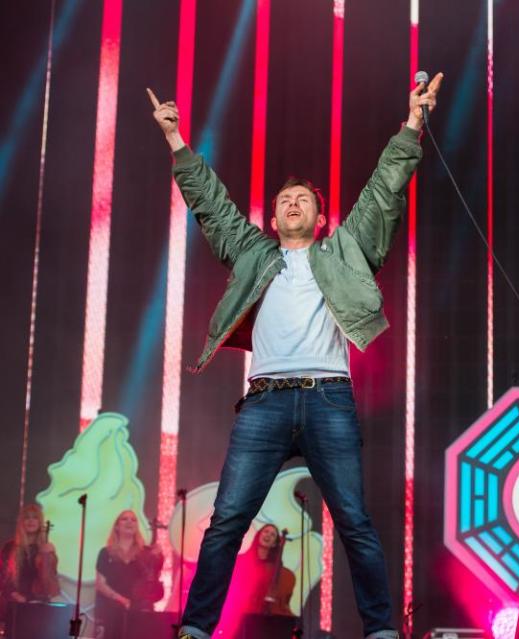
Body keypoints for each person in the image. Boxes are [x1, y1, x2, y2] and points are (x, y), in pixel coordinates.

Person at [147, 71, 443, 639]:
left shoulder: (346, 251)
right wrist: (176, 141)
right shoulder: (256, 256)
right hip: (263, 405)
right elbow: (212, 206)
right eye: (283, 200)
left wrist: (412, 124)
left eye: (302, 199)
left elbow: (384, 190)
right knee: (228, 520)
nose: (290, 203)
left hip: (328, 398)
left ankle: (381, 630)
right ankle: (197, 629)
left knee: (354, 521)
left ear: (320, 216)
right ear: (274, 216)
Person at [94, 510, 165, 639]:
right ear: (117, 526)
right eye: (124, 519)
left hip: (139, 611)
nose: (129, 522)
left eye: (133, 520)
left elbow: (154, 578)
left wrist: (158, 557)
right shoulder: (106, 552)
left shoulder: (146, 552)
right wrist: (121, 599)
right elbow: (100, 584)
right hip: (112, 610)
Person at [217, 524, 294, 639]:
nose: (268, 535)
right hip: (241, 612)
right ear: (259, 535)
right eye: (266, 532)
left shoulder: (278, 569)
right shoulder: (241, 561)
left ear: (274, 543)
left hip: (271, 619)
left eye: (273, 535)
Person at [0, 503, 59, 624]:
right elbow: (3, 576)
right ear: (21, 522)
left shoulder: (46, 548)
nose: (31, 520)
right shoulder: (10, 547)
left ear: (40, 522)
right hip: (15, 603)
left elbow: (51, 579)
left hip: (39, 604)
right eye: (27, 517)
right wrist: (14, 595)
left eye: (35, 517)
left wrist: (49, 555)